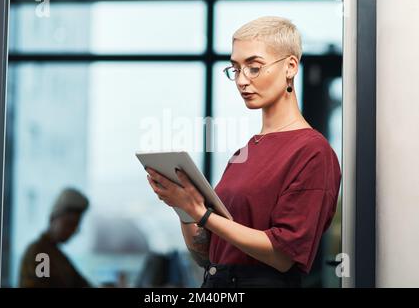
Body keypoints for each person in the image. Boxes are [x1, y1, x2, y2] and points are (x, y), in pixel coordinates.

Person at [145, 16, 341, 288]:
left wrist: (202, 214)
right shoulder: (245, 152)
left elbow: (283, 255)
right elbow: (207, 254)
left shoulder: (312, 151)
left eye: (254, 67)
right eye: (236, 69)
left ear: (290, 67)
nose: (241, 80)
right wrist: (184, 206)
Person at [19, 187, 91, 288]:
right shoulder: (42, 254)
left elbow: (82, 284)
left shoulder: (58, 255)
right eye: (69, 224)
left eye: (76, 226)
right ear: (53, 218)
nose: (72, 231)